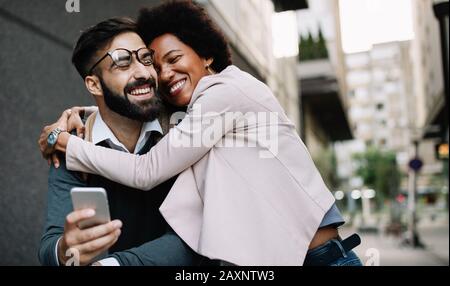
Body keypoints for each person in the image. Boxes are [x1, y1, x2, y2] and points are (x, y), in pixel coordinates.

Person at [40, 0, 362, 266]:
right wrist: (81, 114)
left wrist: (63, 141)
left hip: (322, 258)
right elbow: (123, 108)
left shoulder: (226, 91)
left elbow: (146, 171)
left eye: (171, 59)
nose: (162, 74)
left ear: (207, 55)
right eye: (157, 64)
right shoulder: (187, 117)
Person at [38, 17, 207, 266]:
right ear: (94, 84)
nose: (144, 72)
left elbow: (196, 236)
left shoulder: (187, 126)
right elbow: (49, 249)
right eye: (122, 62)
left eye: (145, 58)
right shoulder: (71, 147)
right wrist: (66, 248)